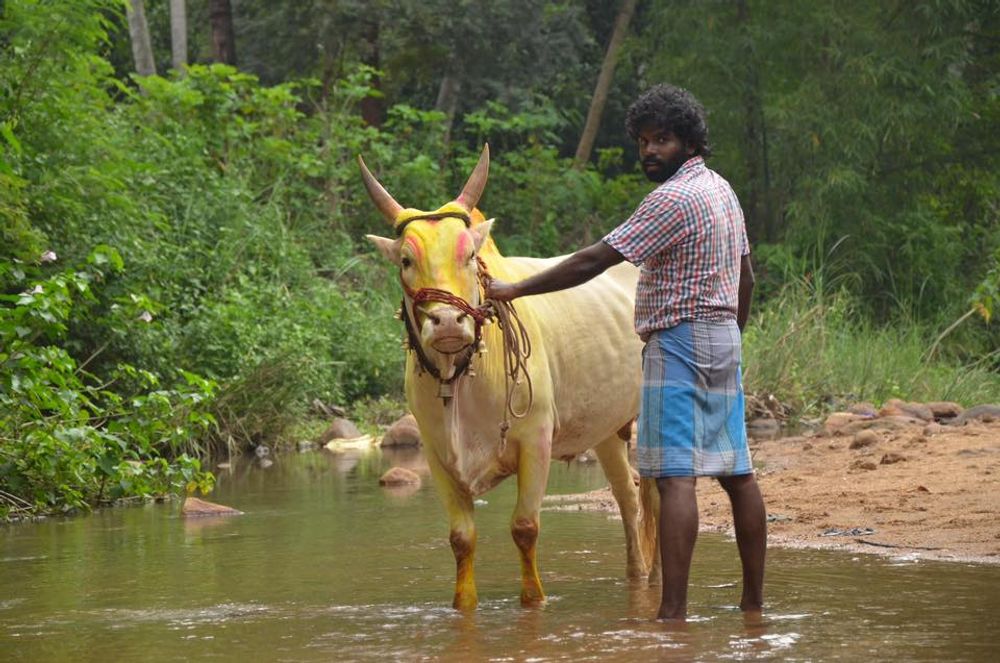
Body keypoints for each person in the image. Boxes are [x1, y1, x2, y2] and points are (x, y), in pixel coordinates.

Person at [485, 84, 766, 621]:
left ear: (689, 141)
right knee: (737, 474)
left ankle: (672, 615)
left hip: (677, 343)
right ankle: (753, 606)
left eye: (662, 140)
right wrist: (732, 336)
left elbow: (594, 260)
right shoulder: (722, 190)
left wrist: (516, 289)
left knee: (675, 477)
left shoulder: (670, 200)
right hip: (722, 338)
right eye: (643, 141)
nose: (649, 151)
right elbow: (746, 276)